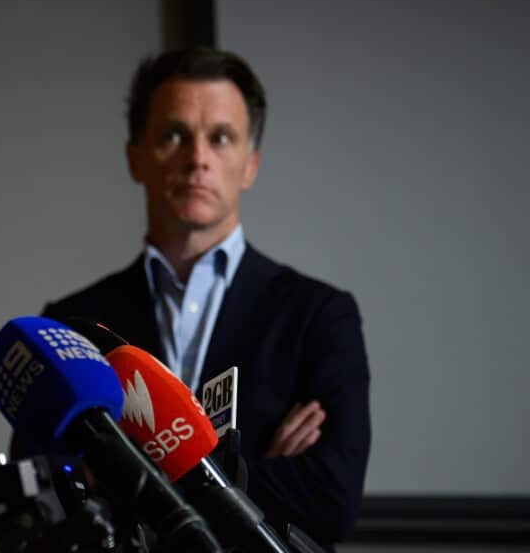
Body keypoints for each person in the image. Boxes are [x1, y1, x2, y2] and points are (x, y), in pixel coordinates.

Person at [41, 48, 370, 550]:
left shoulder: (319, 316)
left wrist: (129, 477)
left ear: (250, 164)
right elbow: (46, 500)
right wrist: (243, 473)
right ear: (135, 157)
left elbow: (331, 501)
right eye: (174, 135)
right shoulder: (71, 326)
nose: (198, 158)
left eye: (221, 138)